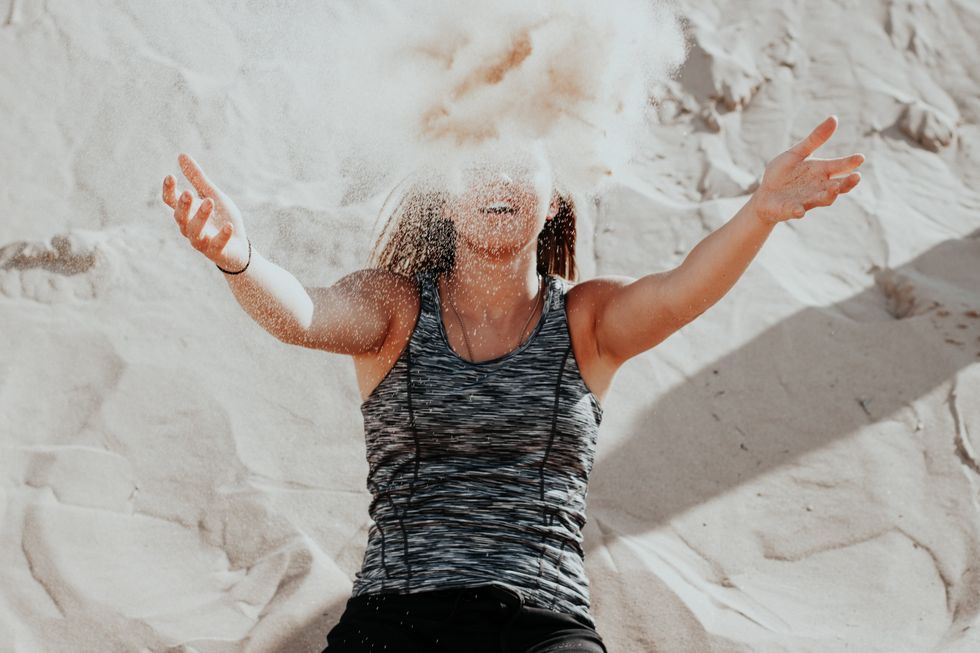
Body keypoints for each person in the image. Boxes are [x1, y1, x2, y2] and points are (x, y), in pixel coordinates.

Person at [160, 117, 863, 652]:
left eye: (517, 164)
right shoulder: (396, 307)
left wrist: (760, 212)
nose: (496, 181)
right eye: (476, 166)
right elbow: (303, 315)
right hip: (395, 615)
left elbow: (682, 291)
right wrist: (240, 258)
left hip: (541, 624)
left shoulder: (587, 322)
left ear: (553, 196)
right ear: (445, 195)